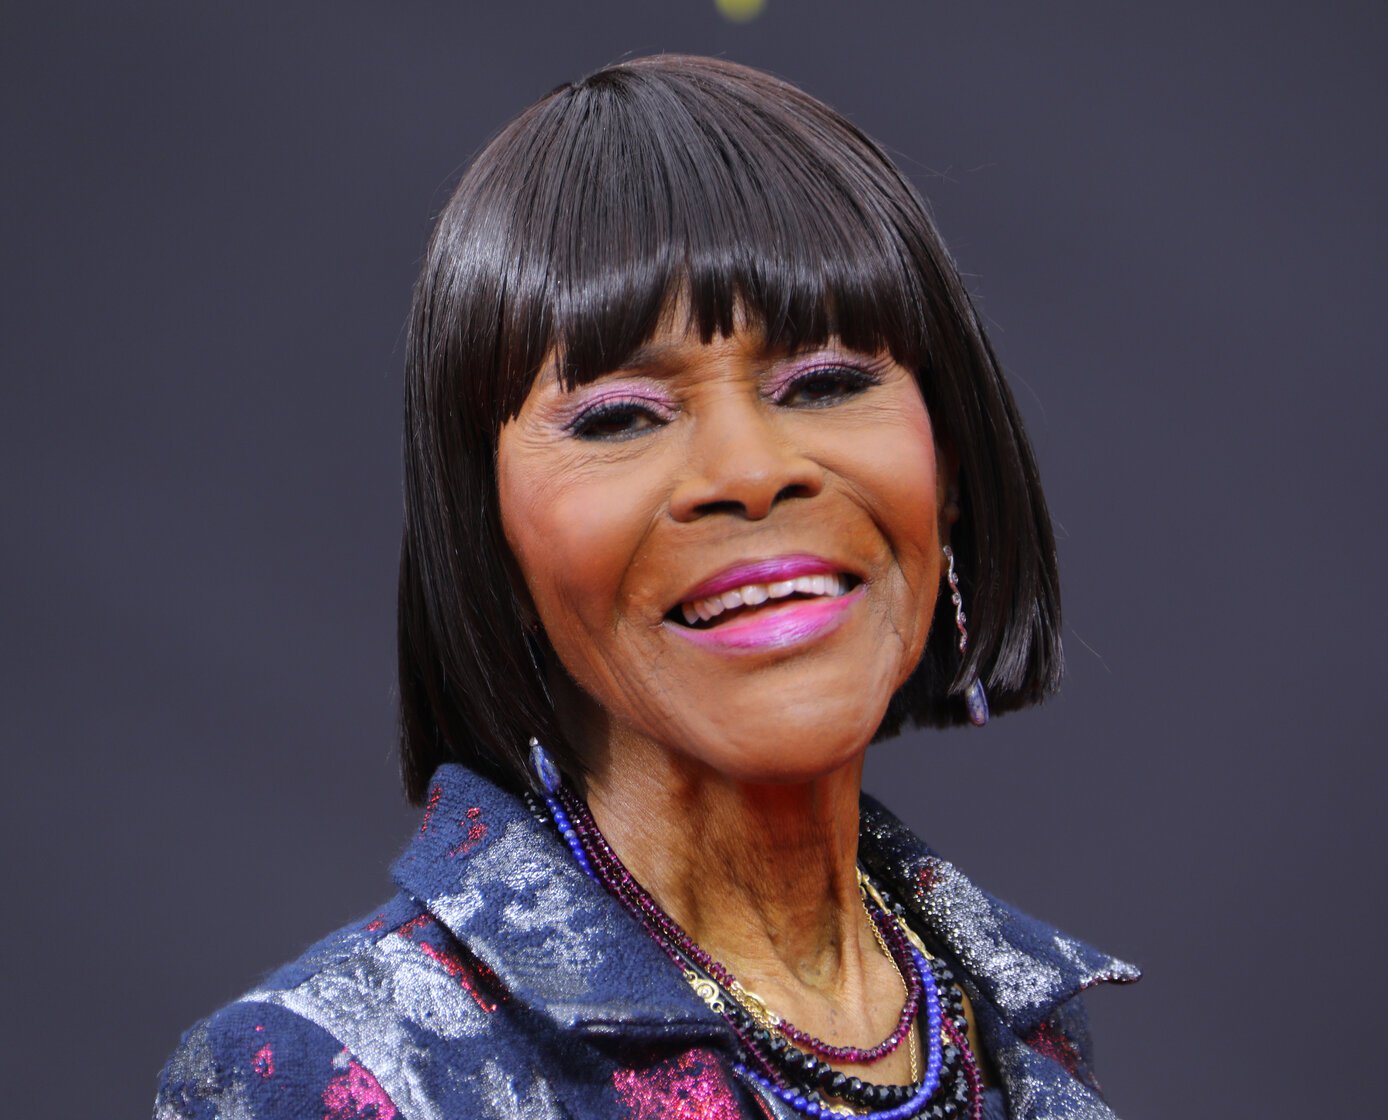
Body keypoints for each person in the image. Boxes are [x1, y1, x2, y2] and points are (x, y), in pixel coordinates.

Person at [155, 54, 1136, 1120]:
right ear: (488, 545)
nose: (753, 473)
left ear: (950, 471)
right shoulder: (336, 1079)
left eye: (828, 382)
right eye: (620, 416)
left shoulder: (1016, 1029)